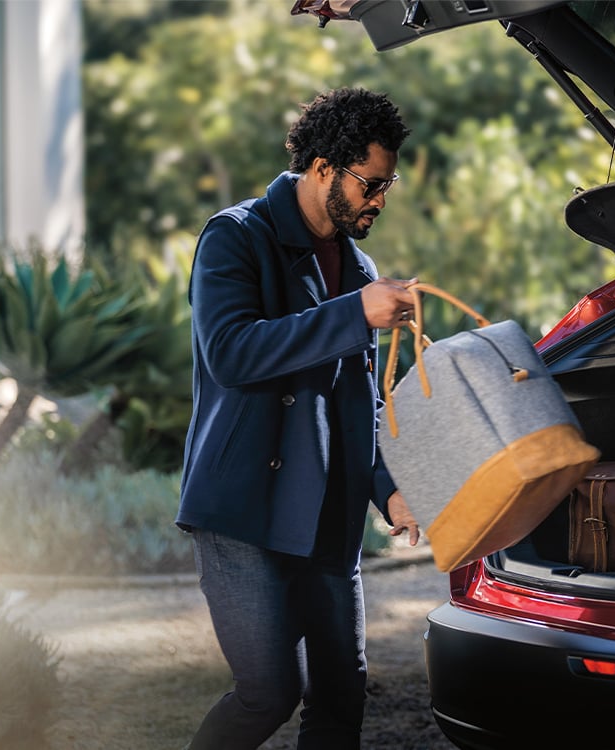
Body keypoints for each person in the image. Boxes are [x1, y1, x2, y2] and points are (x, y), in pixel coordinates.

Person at [176, 87, 421, 750]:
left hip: (327, 520)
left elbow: (359, 398)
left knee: (342, 696)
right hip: (244, 514)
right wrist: (354, 315)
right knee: (268, 693)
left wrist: (388, 487)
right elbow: (231, 353)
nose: (379, 199)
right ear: (322, 169)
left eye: (386, 184)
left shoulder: (358, 267)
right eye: (370, 183)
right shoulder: (235, 236)